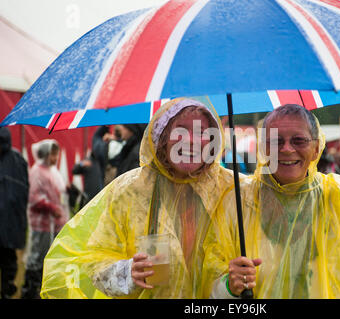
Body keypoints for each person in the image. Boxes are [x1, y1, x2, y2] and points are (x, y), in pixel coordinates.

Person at [203, 104, 340, 299]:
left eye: (298, 140)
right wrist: (229, 286)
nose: (287, 149)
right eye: (276, 141)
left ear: (316, 148)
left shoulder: (339, 198)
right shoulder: (239, 202)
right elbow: (207, 285)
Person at [40, 98, 235, 299]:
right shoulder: (129, 190)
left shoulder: (232, 191)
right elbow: (94, 261)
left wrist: (231, 287)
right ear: (163, 135)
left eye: (202, 132)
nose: (191, 140)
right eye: (181, 130)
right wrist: (128, 273)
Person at [21, 139, 69, 299]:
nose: (56, 157)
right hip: (42, 225)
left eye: (56, 154)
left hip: (53, 224)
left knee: (48, 257)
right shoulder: (37, 171)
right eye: (53, 154)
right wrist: (51, 207)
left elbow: (57, 190)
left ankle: (42, 288)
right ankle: (30, 291)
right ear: (46, 154)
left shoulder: (51, 170)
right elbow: (34, 198)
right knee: (37, 258)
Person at [0, 127, 29, 299]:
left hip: (10, 220)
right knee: (9, 258)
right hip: (12, 221)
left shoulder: (17, 159)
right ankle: (7, 287)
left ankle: (7, 287)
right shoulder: (19, 159)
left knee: (8, 258)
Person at [72, 126, 109, 205]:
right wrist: (82, 164)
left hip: (100, 198)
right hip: (88, 199)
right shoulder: (88, 161)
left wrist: (106, 127)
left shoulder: (103, 161)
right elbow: (74, 170)